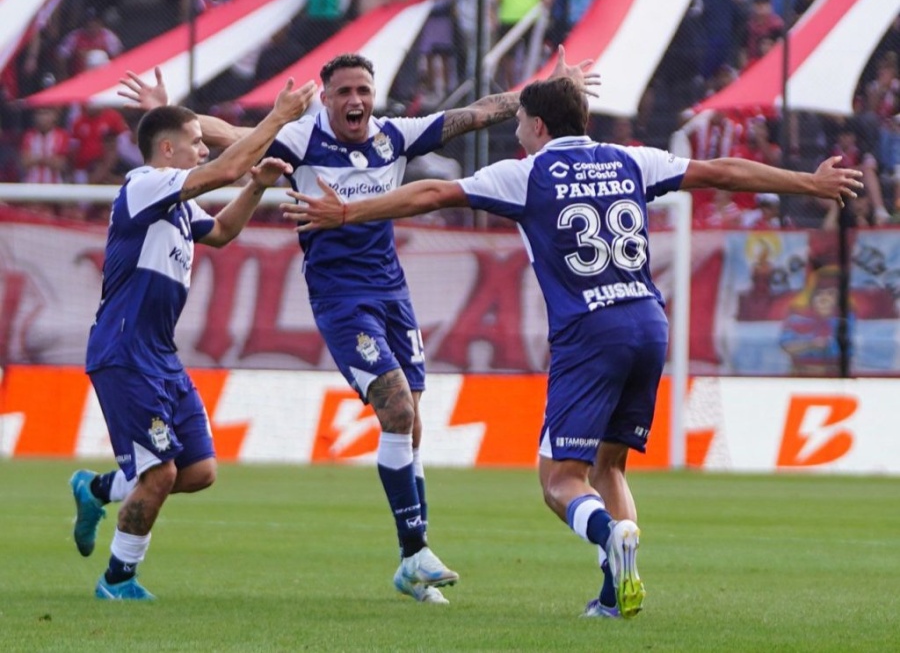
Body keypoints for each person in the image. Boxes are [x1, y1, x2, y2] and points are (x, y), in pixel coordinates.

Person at [281, 76, 864, 617]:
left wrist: (348, 211)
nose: (517, 132)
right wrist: (807, 183)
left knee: (560, 481)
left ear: (537, 125)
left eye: (520, 123)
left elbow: (431, 193)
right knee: (610, 466)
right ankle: (613, 595)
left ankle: (610, 536)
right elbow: (723, 173)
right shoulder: (631, 159)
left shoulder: (526, 173)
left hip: (590, 332)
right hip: (649, 323)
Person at [117, 48, 599, 605]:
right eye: (344, 92)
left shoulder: (394, 136)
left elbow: (478, 113)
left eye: (363, 91)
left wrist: (546, 92)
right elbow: (232, 136)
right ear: (324, 98)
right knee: (396, 410)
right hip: (340, 299)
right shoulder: (302, 138)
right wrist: (168, 114)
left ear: (374, 95)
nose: (355, 100)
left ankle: (412, 562)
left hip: (393, 295)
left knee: (411, 424)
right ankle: (415, 552)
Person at [69, 76, 316, 600]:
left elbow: (222, 233)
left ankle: (97, 488)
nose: (204, 149)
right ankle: (117, 580)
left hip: (159, 355)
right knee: (159, 474)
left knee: (199, 471)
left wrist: (257, 186)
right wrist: (278, 117)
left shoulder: (176, 205)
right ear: (166, 150)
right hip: (125, 352)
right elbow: (224, 169)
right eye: (196, 142)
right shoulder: (144, 185)